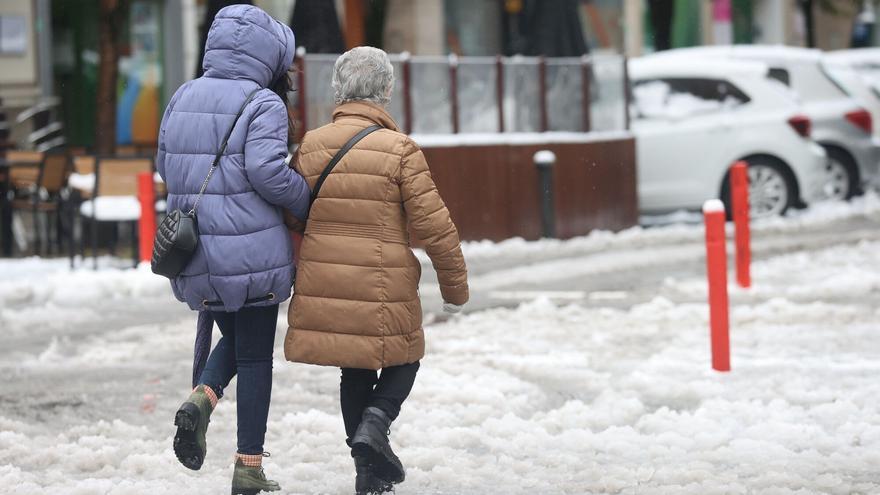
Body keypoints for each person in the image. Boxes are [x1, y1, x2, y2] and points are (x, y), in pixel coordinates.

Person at [284, 46, 469, 494]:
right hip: (385, 282)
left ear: (338, 90)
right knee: (406, 355)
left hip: (328, 280)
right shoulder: (400, 150)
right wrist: (455, 287)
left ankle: (367, 474)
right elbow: (434, 224)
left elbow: (291, 213)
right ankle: (377, 421)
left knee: (355, 369)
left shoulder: (311, 145)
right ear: (386, 91)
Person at [156, 5, 309, 494]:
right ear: (268, 55)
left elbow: (165, 165)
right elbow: (268, 173)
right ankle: (248, 466)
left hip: (196, 251)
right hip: (252, 254)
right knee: (255, 356)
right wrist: (305, 197)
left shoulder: (181, 97)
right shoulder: (262, 103)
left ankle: (201, 398)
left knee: (238, 343)